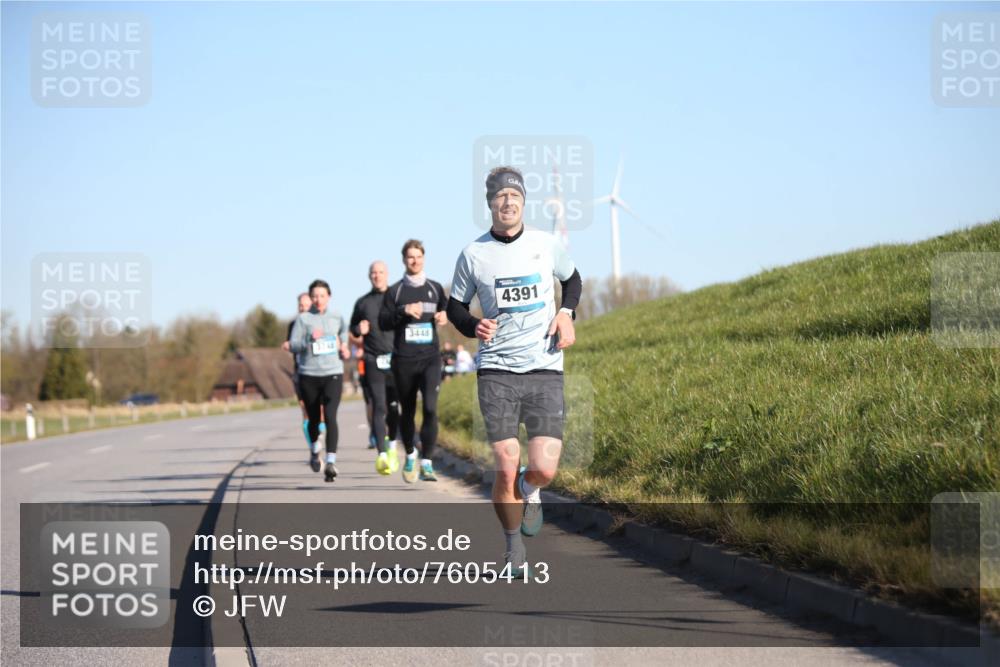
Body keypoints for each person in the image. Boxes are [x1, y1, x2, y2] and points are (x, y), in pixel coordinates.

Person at [447, 166, 582, 577]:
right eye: (500, 197)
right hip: (497, 371)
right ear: (489, 204)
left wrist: (565, 313)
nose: (508, 203)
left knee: (544, 467)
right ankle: (512, 548)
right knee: (505, 463)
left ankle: (530, 488)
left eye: (515, 197)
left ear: (524, 202)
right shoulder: (473, 254)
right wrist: (473, 325)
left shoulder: (546, 244)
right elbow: (455, 306)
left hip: (543, 366)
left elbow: (573, 280)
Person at [379, 240, 449, 483]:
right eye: (410, 257)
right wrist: (403, 311)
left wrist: (444, 315)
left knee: (430, 408)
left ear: (424, 258)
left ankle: (427, 462)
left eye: (418, 256)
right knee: (407, 411)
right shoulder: (395, 291)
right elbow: (383, 322)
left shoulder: (436, 288)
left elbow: (447, 310)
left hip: (430, 358)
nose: (415, 261)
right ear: (403, 260)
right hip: (404, 360)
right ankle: (410, 453)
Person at [288, 279, 350, 482]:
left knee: (331, 416)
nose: (318, 299)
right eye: (314, 296)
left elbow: (343, 335)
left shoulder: (337, 316)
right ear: (310, 298)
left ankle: (331, 461)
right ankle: (315, 448)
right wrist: (308, 340)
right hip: (309, 374)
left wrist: (344, 346)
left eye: (322, 295)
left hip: (333, 372)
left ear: (329, 297)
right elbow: (294, 344)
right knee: (314, 418)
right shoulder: (303, 319)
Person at [350, 260, 401, 475]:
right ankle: (381, 453)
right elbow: (353, 328)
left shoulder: (397, 297)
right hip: (373, 359)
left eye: (381, 272)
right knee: (378, 407)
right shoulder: (362, 302)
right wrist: (358, 329)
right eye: (373, 272)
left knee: (393, 407)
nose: (377, 275)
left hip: (396, 359)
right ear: (369, 276)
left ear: (387, 274)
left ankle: (391, 446)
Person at [282, 292, 325, 445]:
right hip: (300, 370)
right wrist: (289, 346)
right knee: (305, 409)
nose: (303, 308)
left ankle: (320, 433)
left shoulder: (320, 321)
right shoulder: (293, 325)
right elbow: (291, 344)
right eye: (301, 305)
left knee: (319, 410)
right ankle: (313, 446)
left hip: (319, 370)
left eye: (307, 305)